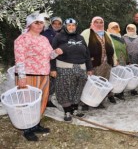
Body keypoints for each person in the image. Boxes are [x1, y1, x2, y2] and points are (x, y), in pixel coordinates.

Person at [14, 12, 63, 141]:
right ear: (30, 24)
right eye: (37, 22)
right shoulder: (22, 39)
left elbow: (48, 56)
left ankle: (35, 124)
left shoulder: (43, 39)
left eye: (41, 22)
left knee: (41, 100)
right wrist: (21, 76)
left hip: (44, 74)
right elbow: (19, 59)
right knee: (28, 102)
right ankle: (27, 128)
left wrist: (56, 53)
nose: (40, 25)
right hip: (29, 75)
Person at [51, 18, 93, 121]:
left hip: (81, 68)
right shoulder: (58, 37)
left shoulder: (81, 38)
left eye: (73, 25)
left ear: (76, 26)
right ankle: (67, 112)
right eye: (69, 25)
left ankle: (74, 109)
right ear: (65, 26)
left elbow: (87, 54)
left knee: (78, 89)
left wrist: (89, 68)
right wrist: (53, 69)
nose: (71, 27)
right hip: (64, 68)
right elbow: (51, 54)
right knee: (64, 90)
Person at [81, 16, 115, 106]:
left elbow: (112, 48)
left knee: (102, 83)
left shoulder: (106, 34)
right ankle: (85, 103)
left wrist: (114, 60)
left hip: (106, 64)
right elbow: (82, 48)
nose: (99, 24)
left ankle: (98, 101)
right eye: (96, 22)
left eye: (101, 22)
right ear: (92, 23)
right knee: (90, 83)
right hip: (92, 63)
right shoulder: (87, 32)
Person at [41, 16, 64, 107]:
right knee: (47, 80)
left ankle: (48, 99)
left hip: (60, 60)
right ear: (51, 23)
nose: (57, 25)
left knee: (55, 81)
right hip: (48, 59)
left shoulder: (63, 33)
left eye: (59, 23)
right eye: (55, 23)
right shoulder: (45, 33)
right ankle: (42, 99)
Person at [106, 22, 129, 100]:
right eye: (113, 27)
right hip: (113, 59)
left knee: (121, 76)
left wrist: (127, 58)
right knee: (113, 77)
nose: (115, 29)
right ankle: (111, 94)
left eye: (116, 27)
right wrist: (114, 58)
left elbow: (125, 48)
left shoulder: (121, 37)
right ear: (109, 28)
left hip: (122, 59)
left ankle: (120, 93)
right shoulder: (107, 36)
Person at [123, 24, 138, 95]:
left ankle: (133, 89)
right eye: (129, 29)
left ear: (135, 29)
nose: (130, 30)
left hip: (137, 58)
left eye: (132, 29)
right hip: (127, 58)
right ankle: (124, 88)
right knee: (127, 73)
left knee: (135, 73)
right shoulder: (123, 38)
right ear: (127, 29)